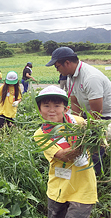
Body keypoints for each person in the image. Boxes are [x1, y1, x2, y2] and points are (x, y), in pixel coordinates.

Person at [33, 85, 97, 218]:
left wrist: (99, 135)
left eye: (57, 106)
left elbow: (96, 143)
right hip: (58, 189)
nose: (52, 110)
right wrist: (86, 140)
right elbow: (63, 156)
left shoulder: (78, 122)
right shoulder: (41, 134)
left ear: (66, 109)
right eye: (46, 106)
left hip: (83, 190)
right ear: (39, 110)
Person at [46, 46, 111, 175]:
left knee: (94, 147)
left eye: (57, 66)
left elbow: (97, 112)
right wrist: (75, 123)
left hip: (104, 116)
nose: (57, 70)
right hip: (89, 114)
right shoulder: (71, 76)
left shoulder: (91, 77)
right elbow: (75, 102)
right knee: (81, 142)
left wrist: (86, 130)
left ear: (67, 63)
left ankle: (97, 177)